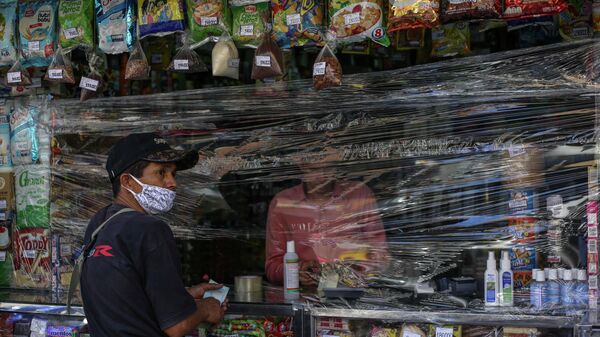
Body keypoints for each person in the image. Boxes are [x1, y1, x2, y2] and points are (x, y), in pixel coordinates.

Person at [80, 132, 227, 337]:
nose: (172, 182)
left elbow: (125, 299)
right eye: (161, 172)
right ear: (128, 182)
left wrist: (183, 296)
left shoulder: (99, 223)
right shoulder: (149, 228)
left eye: (173, 173)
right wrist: (207, 308)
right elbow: (177, 326)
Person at [265, 147, 389, 287]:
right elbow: (272, 266)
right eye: (314, 170)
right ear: (301, 165)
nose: (322, 177)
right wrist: (296, 272)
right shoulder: (282, 204)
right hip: (303, 297)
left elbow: (379, 254)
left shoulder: (359, 196)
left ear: (337, 166)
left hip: (354, 295)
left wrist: (355, 269)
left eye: (328, 169)